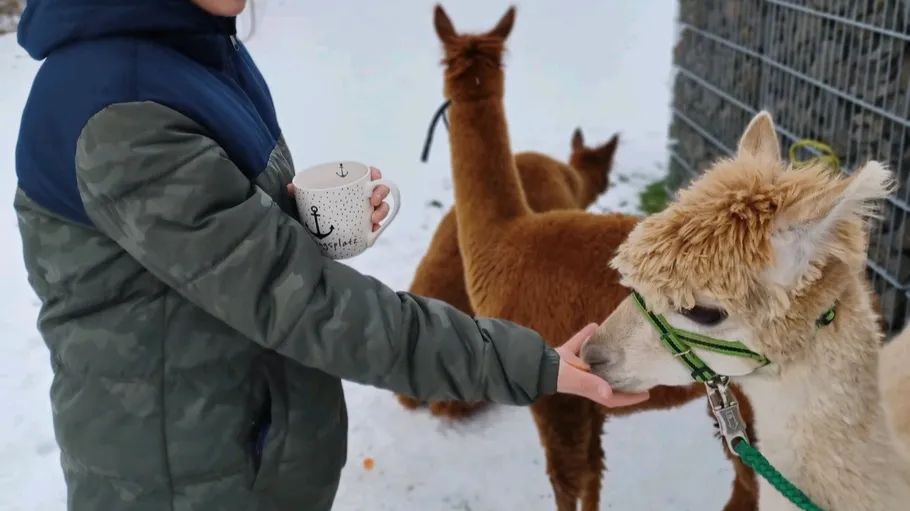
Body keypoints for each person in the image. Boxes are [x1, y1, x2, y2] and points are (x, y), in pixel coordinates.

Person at [12, 0, 649, 509]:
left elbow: (204, 255)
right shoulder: (118, 109)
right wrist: (531, 363)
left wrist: (296, 225)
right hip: (185, 481)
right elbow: (308, 306)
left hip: (242, 453)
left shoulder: (194, 46)